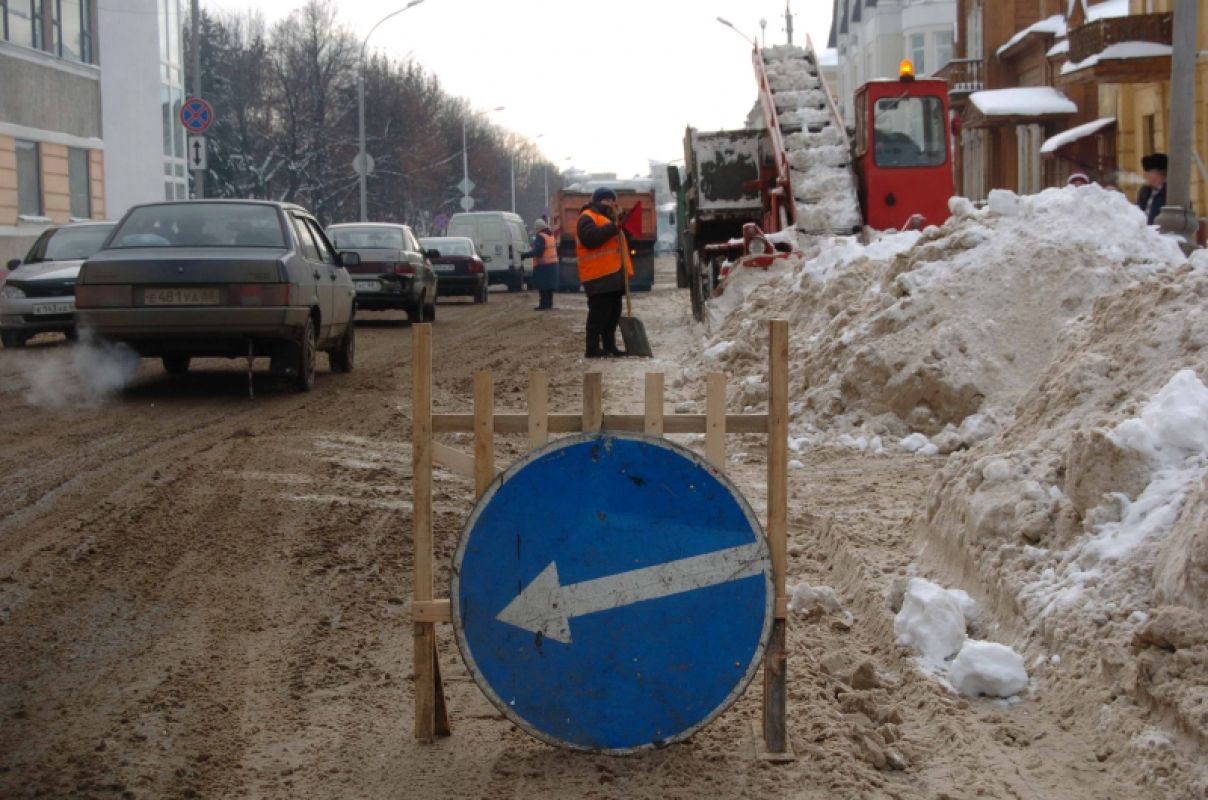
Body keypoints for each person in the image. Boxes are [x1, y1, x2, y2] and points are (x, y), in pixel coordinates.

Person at [575, 187, 633, 358]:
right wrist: (614, 227)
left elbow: (622, 241)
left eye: (612, 200)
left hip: (613, 275)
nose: (610, 203)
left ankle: (609, 347)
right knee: (599, 314)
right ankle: (592, 348)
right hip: (597, 276)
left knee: (613, 313)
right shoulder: (587, 217)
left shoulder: (609, 220)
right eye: (605, 200)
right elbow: (590, 239)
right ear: (597, 201)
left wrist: (622, 224)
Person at [521, 219, 559, 310]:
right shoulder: (550, 235)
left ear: (538, 228)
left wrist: (525, 255)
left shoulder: (540, 236)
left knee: (543, 286)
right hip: (553, 264)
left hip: (543, 265)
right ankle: (549, 304)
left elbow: (538, 251)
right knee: (549, 287)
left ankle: (543, 305)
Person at [1137, 153, 1167, 225]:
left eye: (1149, 172)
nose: (1146, 176)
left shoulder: (1170, 193)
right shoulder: (1144, 191)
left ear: (1160, 174)